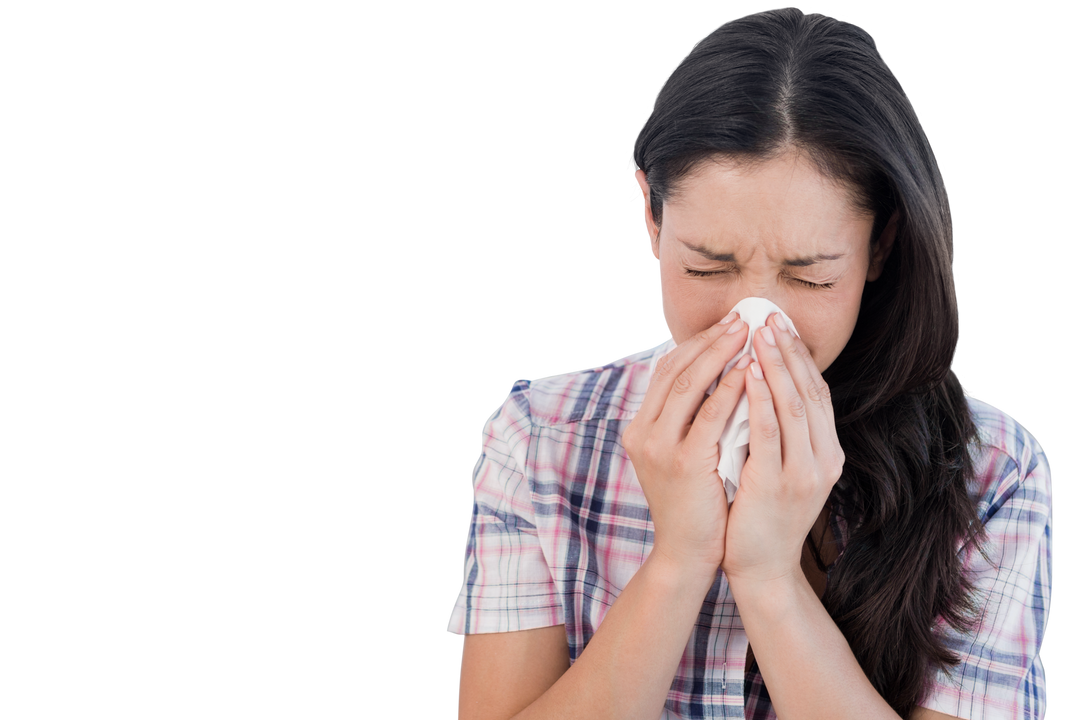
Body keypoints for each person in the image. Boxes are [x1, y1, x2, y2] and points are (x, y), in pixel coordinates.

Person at [447, 6, 1053, 720]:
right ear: (651, 219)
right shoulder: (540, 438)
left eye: (810, 278)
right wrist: (676, 563)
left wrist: (769, 579)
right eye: (708, 267)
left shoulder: (993, 468)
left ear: (880, 246)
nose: (755, 323)